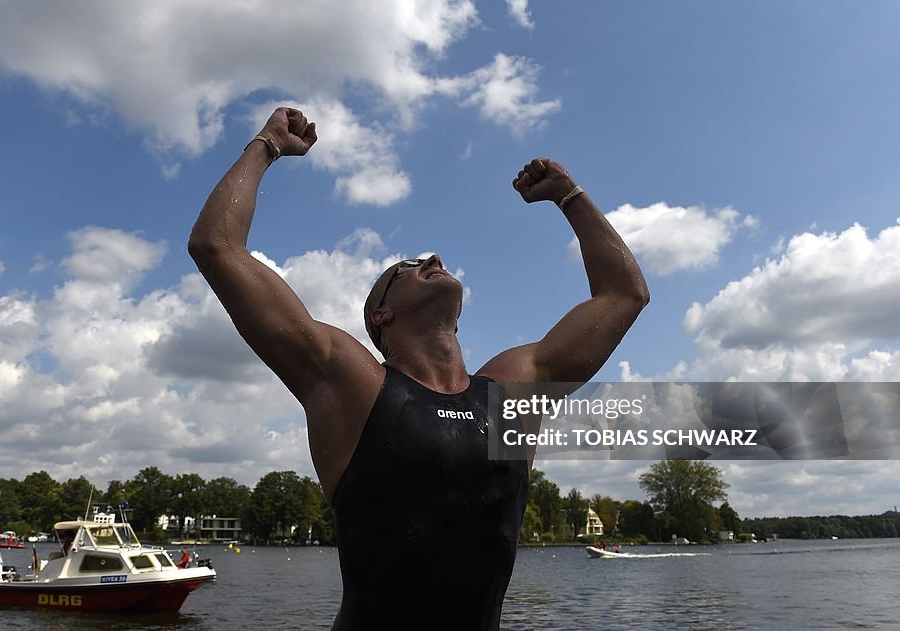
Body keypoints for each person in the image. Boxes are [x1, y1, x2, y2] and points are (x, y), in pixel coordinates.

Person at [189, 107, 649, 631]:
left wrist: (569, 195)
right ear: (380, 314)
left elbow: (624, 294)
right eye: (407, 268)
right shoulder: (349, 381)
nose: (431, 257)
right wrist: (268, 144)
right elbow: (217, 246)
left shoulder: (513, 391)